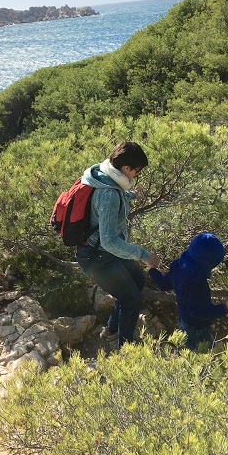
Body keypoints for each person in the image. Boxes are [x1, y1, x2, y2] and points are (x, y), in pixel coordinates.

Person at [75, 142, 160, 348]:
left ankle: (112, 330)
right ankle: (126, 350)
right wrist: (144, 255)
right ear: (126, 169)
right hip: (98, 258)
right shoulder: (109, 194)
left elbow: (113, 197)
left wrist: (131, 194)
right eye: (136, 171)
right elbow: (109, 241)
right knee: (132, 300)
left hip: (105, 253)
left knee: (138, 280)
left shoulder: (104, 176)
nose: (135, 176)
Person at [148, 232, 228, 351]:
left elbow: (164, 284)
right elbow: (198, 312)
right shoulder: (197, 282)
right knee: (202, 353)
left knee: (187, 348)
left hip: (183, 320)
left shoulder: (177, 266)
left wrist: (152, 270)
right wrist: (224, 308)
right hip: (197, 328)